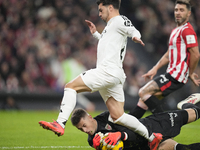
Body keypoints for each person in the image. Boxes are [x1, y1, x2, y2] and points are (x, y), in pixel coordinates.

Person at [38, 0, 162, 149]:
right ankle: (152, 137)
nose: (99, 13)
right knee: (118, 117)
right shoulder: (110, 26)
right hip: (114, 75)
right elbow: (109, 44)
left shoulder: (119, 20)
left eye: (101, 10)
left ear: (110, 7)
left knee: (70, 87)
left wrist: (136, 36)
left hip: (107, 71)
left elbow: (132, 29)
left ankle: (60, 123)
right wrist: (96, 34)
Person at [130, 0, 200, 119]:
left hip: (177, 75)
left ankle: (166, 122)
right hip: (171, 73)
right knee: (144, 100)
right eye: (176, 10)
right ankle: (127, 125)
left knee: (143, 92)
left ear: (188, 13)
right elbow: (169, 54)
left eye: (181, 10)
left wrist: (190, 72)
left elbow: (196, 54)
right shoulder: (175, 30)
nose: (178, 13)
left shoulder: (187, 30)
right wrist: (155, 68)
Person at [71, 93, 200, 150]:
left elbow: (132, 122)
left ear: (89, 117)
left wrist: (119, 135)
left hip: (153, 126)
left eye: (84, 126)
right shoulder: (92, 141)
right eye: (80, 129)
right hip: (149, 144)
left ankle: (186, 104)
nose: (85, 130)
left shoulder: (107, 117)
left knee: (196, 113)